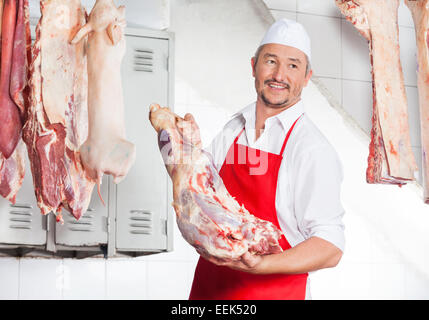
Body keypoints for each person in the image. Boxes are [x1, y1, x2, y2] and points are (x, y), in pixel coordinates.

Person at [188, 18, 345, 300]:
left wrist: (261, 265)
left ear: (307, 77)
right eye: (270, 61)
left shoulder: (311, 149)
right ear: (253, 66)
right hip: (209, 292)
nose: (279, 75)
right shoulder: (233, 128)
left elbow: (330, 246)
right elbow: (200, 192)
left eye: (293, 65)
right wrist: (179, 146)